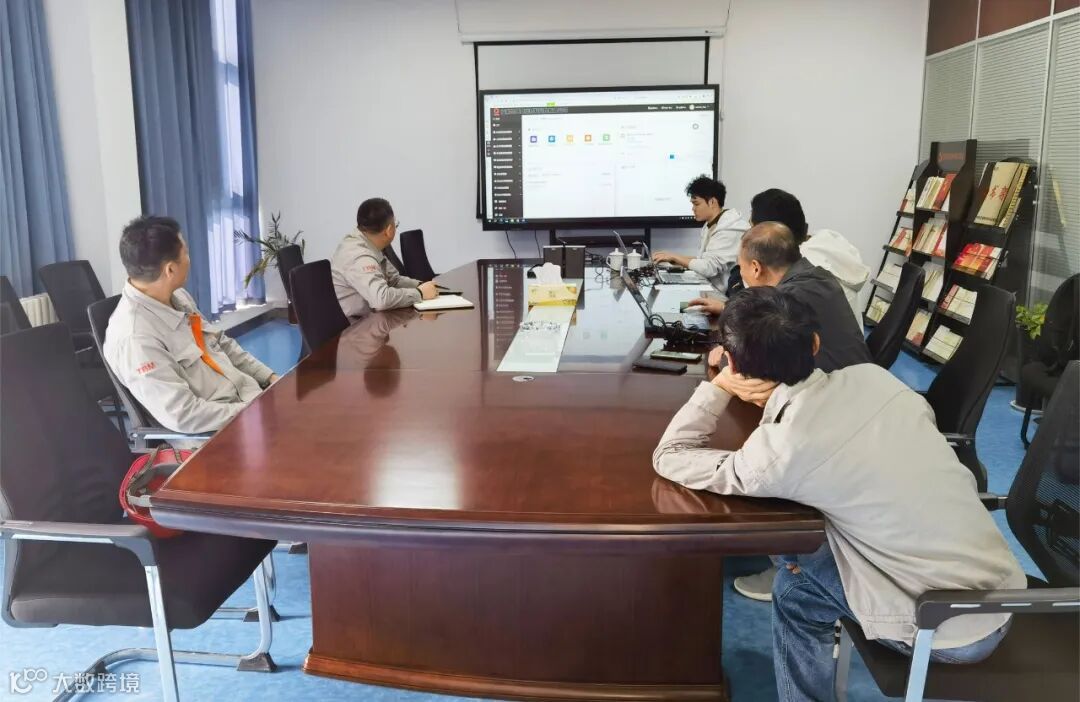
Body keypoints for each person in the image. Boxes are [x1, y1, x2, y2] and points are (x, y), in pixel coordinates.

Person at [653, 286, 1024, 702]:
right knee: (806, 540)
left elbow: (670, 455)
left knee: (794, 590)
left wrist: (720, 387)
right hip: (1003, 591)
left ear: (734, 363)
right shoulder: (876, 379)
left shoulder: (780, 454)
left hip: (947, 628)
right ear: (815, 343)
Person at [697, 222, 873, 601]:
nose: (742, 277)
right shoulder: (814, 277)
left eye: (741, 269)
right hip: (860, 395)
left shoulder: (793, 297)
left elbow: (752, 360)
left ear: (755, 267)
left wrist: (725, 358)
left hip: (836, 415)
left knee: (754, 444)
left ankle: (790, 565)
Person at [103, 216, 278, 434]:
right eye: (185, 253)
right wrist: (254, 411)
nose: (189, 258)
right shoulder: (136, 338)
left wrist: (270, 378)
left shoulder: (178, 297)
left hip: (248, 403)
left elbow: (221, 343)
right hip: (217, 434)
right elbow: (184, 415)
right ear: (170, 270)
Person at [331, 198, 437, 317]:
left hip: (373, 318)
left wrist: (421, 285)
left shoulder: (368, 243)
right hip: (357, 325)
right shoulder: (359, 255)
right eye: (396, 224)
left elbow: (394, 280)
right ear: (389, 230)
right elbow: (381, 299)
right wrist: (419, 293)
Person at [651, 175, 749, 289]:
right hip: (710, 288)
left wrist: (675, 257)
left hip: (722, 295)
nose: (693, 208)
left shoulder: (729, 229)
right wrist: (672, 258)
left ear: (712, 202)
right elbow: (702, 260)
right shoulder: (710, 224)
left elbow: (708, 268)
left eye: (696, 204)